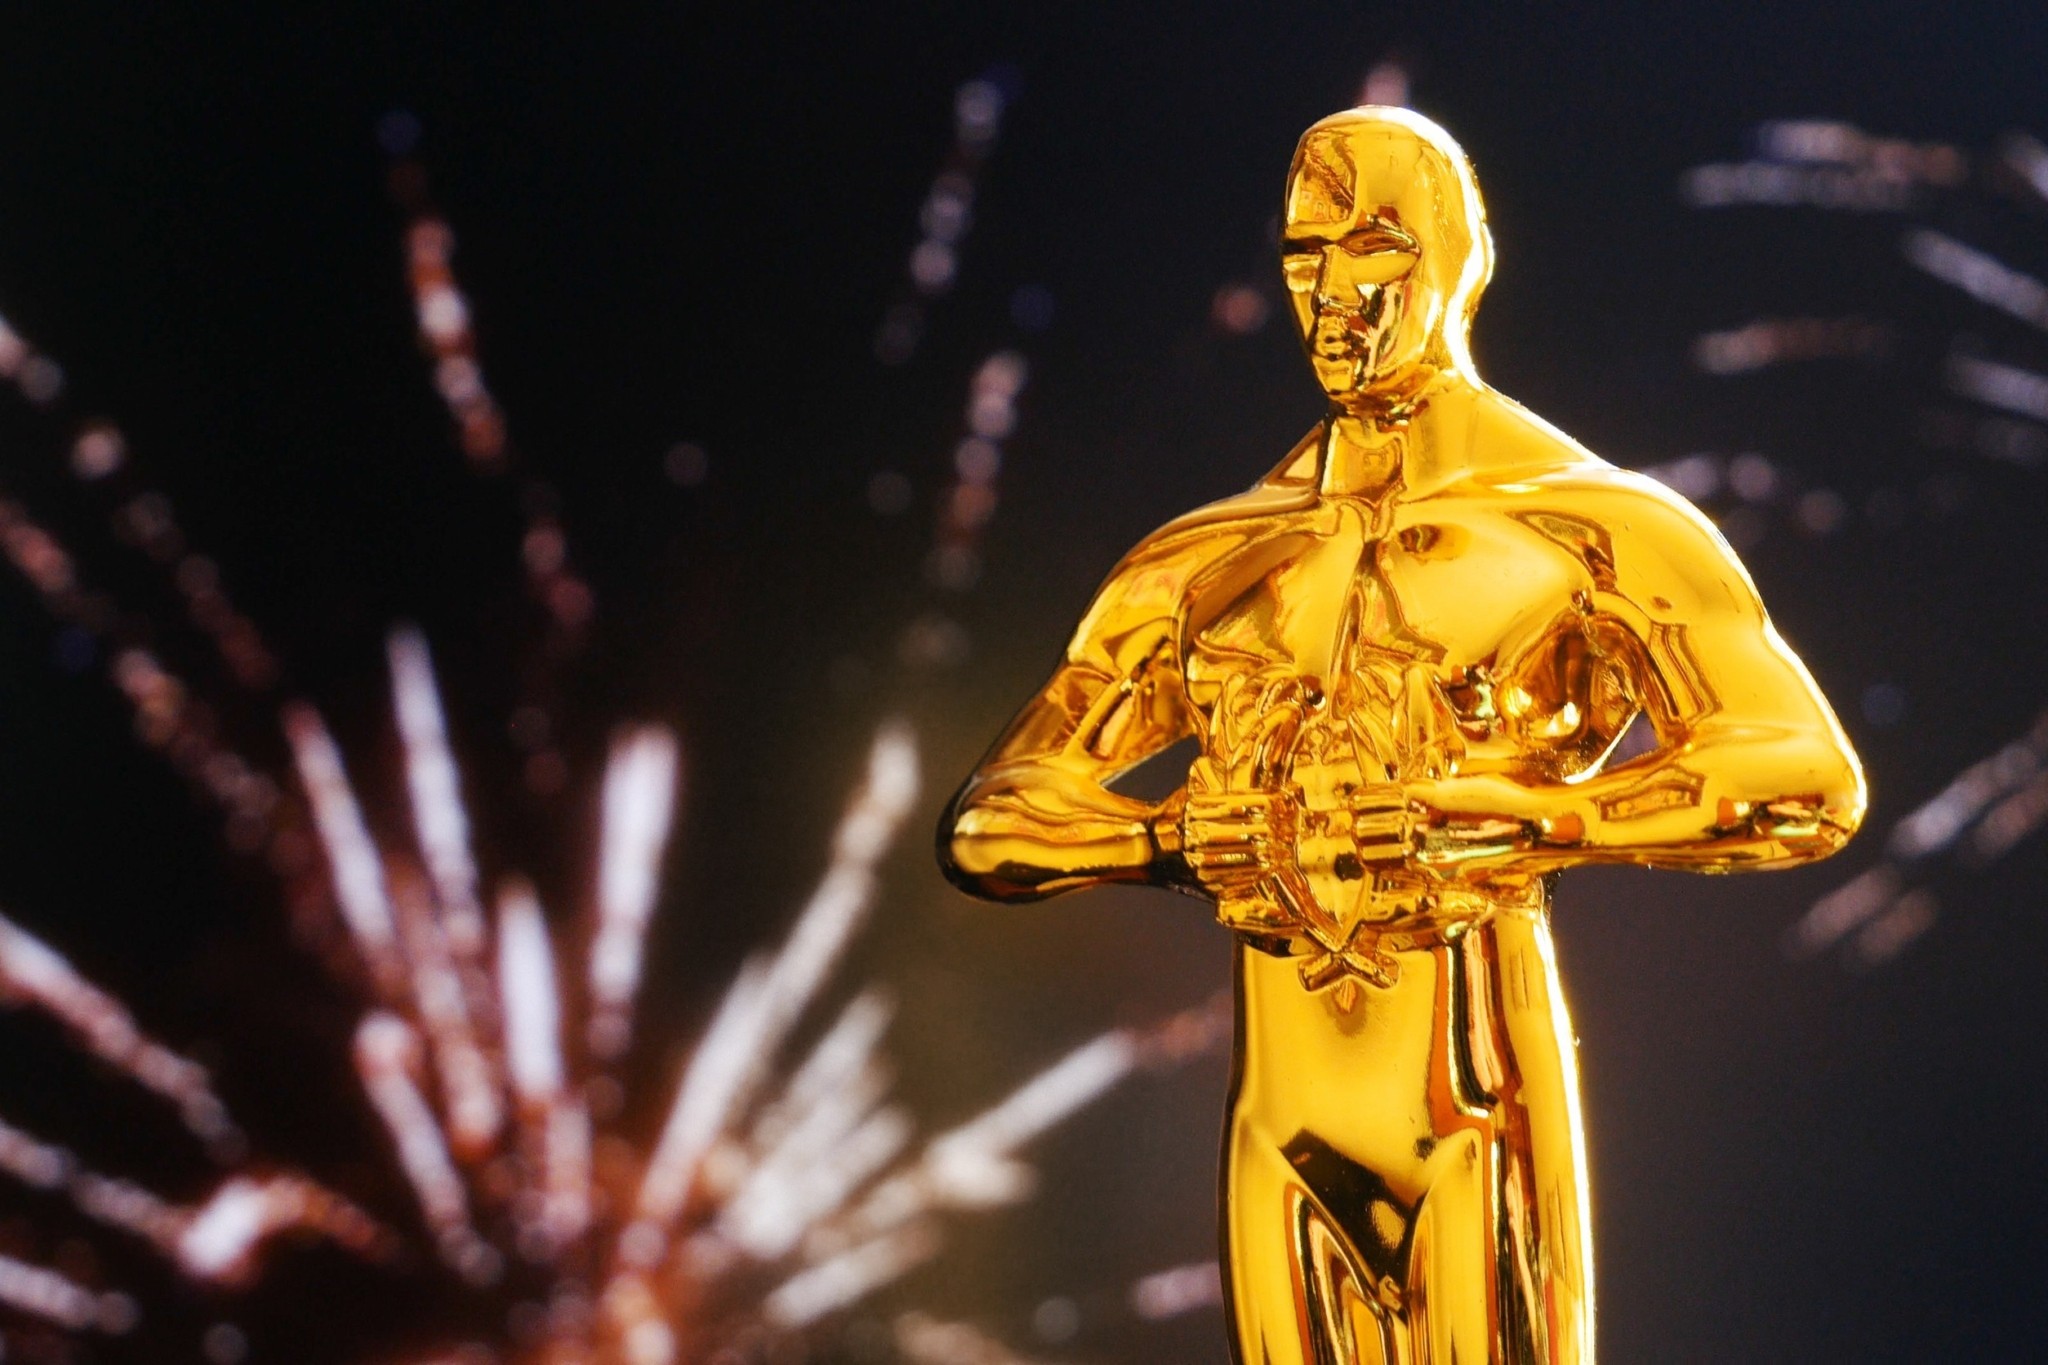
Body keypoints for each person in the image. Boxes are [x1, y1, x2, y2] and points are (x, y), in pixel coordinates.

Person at [938, 106, 1865, 1365]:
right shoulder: (1203, 562)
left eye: (1371, 247)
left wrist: (1536, 817)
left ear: (1457, 260)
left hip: (1473, 1105)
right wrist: (1159, 840)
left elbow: (1804, 778)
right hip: (1278, 1125)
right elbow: (990, 820)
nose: (1331, 293)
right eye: (1301, 256)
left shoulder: (1587, 530)